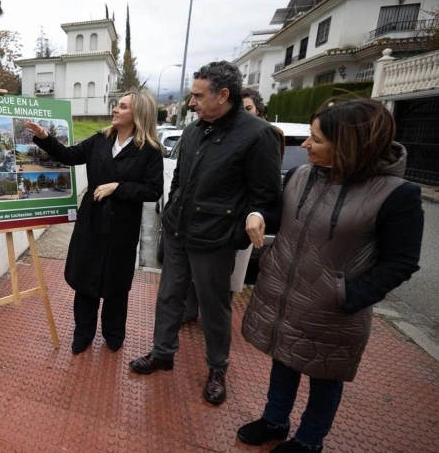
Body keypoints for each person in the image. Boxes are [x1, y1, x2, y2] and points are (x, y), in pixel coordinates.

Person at [237, 99, 423, 452]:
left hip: (334, 308)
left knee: (325, 376)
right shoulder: (299, 175)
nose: (306, 145)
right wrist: (258, 214)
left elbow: (401, 262)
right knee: (284, 360)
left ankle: (309, 441)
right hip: (285, 297)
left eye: (317, 139)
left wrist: (346, 296)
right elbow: (280, 217)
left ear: (351, 145)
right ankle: (274, 420)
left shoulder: (397, 195)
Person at [129, 61, 282, 406]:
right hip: (178, 232)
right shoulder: (195, 130)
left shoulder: (259, 135)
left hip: (215, 240)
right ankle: (162, 353)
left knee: (214, 309)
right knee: (169, 296)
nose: (191, 102)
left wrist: (241, 232)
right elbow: (181, 180)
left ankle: (217, 369)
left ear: (223, 95)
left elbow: (267, 197)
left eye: (198, 95)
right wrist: (170, 214)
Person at [25, 89, 164, 354]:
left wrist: (117, 187)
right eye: (117, 105)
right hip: (92, 221)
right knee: (86, 280)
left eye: (122, 107)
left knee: (116, 284)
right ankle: (83, 333)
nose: (116, 109)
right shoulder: (100, 139)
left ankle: (113, 334)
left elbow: (153, 190)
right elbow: (69, 156)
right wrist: (44, 137)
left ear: (138, 115)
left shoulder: (150, 151)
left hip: (123, 227)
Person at [183, 88, 286, 321]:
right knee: (196, 275)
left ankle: (216, 322)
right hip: (213, 222)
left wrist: (242, 228)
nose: (243, 114)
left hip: (242, 221)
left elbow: (266, 188)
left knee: (229, 280)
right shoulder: (215, 132)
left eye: (248, 109)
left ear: (258, 111)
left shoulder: (266, 136)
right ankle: (191, 311)